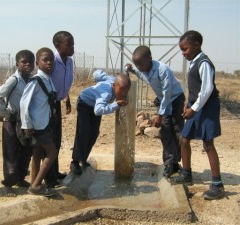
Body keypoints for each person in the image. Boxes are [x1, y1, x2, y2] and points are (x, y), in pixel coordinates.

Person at [170, 30, 224, 200]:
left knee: (208, 144)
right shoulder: (194, 62)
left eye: (185, 49)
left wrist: (194, 108)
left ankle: (217, 185)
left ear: (197, 45)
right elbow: (195, 87)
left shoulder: (204, 63)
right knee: (184, 139)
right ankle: (186, 174)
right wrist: (188, 102)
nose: (183, 53)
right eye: (181, 50)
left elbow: (207, 90)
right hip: (196, 106)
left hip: (206, 108)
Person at [126, 46, 185, 178]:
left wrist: (160, 114)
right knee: (165, 131)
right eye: (137, 64)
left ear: (150, 59)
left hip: (175, 99)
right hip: (164, 100)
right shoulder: (144, 69)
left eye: (141, 64)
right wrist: (132, 70)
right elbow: (142, 75)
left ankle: (176, 163)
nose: (139, 67)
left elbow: (167, 93)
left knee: (176, 130)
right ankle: (169, 163)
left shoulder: (162, 69)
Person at [70, 69, 131, 175]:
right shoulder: (106, 93)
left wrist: (97, 75)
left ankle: (83, 158)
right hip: (84, 103)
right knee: (83, 131)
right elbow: (98, 111)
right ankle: (75, 162)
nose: (124, 93)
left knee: (93, 133)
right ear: (114, 86)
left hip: (95, 105)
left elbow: (98, 74)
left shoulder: (113, 80)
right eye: (121, 90)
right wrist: (116, 104)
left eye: (126, 90)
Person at [0, 50, 34, 197]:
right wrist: (5, 113)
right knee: (11, 152)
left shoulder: (31, 80)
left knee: (27, 149)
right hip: (11, 121)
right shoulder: (14, 80)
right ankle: (8, 183)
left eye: (30, 61)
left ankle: (20, 178)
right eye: (24, 62)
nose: (28, 64)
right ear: (17, 64)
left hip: (25, 122)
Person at [20, 47, 58, 196]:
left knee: (37, 153)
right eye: (45, 60)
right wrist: (26, 125)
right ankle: (36, 186)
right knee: (52, 152)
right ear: (37, 62)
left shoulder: (48, 80)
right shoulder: (35, 81)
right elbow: (24, 104)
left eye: (51, 60)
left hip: (44, 123)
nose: (49, 63)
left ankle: (34, 183)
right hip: (37, 125)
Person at [44, 31, 75, 187]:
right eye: (69, 44)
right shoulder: (52, 60)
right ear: (58, 46)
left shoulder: (69, 61)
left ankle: (54, 172)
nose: (72, 47)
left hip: (57, 103)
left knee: (57, 140)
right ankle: (49, 179)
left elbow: (63, 81)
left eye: (73, 43)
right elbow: (45, 81)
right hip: (48, 105)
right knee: (50, 142)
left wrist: (67, 97)